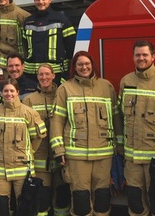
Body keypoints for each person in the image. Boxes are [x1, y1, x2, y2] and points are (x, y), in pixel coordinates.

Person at [49, 51, 119, 216]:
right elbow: (57, 121)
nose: (84, 67)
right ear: (74, 67)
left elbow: (116, 119)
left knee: (102, 199)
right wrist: (59, 150)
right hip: (76, 157)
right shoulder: (65, 88)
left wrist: (120, 146)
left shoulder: (106, 87)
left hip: (104, 155)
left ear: (92, 65)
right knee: (81, 200)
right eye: (79, 64)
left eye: (87, 63)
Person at [116, 41, 155, 216]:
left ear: (153, 57)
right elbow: (121, 116)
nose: (141, 58)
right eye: (138, 55)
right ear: (133, 57)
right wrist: (121, 147)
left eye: (145, 55)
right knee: (135, 204)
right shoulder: (126, 81)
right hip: (132, 159)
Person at [0, 78, 47, 216]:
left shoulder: (28, 113)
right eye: (6, 91)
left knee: (25, 205)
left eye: (12, 90)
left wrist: (28, 151)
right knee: (0, 206)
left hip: (22, 166)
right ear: (1, 93)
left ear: (18, 92)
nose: (8, 94)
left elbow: (38, 136)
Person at [22, 64, 70, 216]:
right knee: (42, 199)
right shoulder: (29, 100)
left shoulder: (62, 95)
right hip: (40, 160)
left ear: (53, 75)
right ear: (37, 77)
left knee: (62, 198)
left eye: (47, 74)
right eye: (41, 75)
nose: (44, 78)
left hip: (61, 158)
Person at [23, 0, 76, 83]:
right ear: (34, 1)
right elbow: (25, 46)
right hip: (32, 75)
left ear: (50, 0)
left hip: (56, 74)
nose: (41, 2)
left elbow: (71, 47)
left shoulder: (62, 20)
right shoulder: (28, 22)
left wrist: (67, 73)